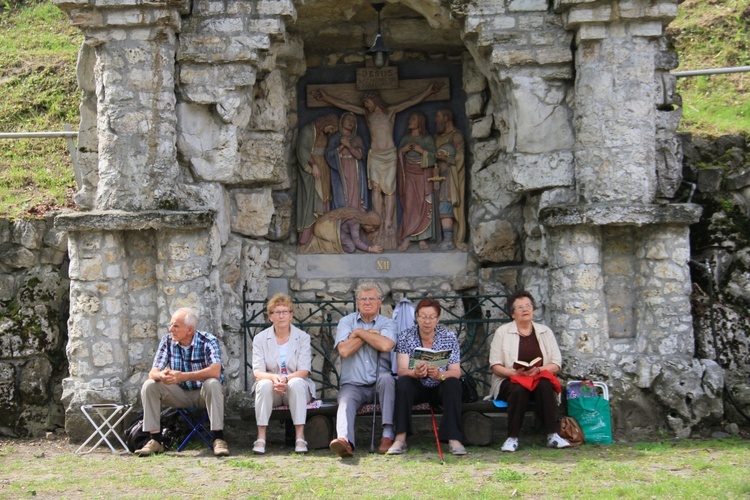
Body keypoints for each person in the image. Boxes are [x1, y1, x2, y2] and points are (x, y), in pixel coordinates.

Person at [312, 83, 443, 250]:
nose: (365, 105)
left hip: (389, 154)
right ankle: (378, 219)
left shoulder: (391, 112)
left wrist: (428, 91)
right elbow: (346, 105)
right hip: (375, 155)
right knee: (375, 187)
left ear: (373, 100)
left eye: (366, 102)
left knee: (389, 190)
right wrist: (326, 98)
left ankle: (388, 221)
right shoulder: (367, 115)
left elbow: (411, 101)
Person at [135, 308, 229, 457]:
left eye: (176, 326)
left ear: (190, 330)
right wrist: (161, 375)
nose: (171, 329)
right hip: (178, 394)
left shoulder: (208, 340)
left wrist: (183, 376)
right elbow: (152, 373)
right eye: (171, 325)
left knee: (212, 383)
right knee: (150, 385)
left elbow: (215, 370)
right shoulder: (167, 341)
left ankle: (218, 438)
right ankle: (155, 440)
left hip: (203, 395)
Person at [488, 290, 571, 452]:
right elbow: (495, 365)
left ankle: (552, 435)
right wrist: (515, 373)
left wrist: (538, 369)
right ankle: (512, 438)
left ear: (533, 309)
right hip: (510, 379)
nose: (525, 310)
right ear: (513, 314)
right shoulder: (503, 332)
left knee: (545, 385)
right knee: (518, 389)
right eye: (520, 307)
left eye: (528, 306)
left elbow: (556, 363)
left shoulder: (544, 332)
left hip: (538, 378)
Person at [387, 298, 466, 455]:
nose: (427, 321)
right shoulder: (406, 336)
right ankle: (400, 437)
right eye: (423, 316)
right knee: (403, 383)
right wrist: (415, 373)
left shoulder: (448, 336)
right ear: (416, 316)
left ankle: (453, 438)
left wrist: (440, 375)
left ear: (438, 318)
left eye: (431, 317)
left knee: (453, 384)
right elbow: (402, 370)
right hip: (417, 385)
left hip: (439, 385)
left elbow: (456, 372)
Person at [329, 282, 397, 457]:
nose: (367, 302)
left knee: (388, 379)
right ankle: (344, 441)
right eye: (363, 298)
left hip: (379, 384)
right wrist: (367, 334)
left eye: (372, 298)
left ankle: (387, 435)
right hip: (354, 385)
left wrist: (357, 334)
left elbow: (386, 345)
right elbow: (344, 350)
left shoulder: (388, 323)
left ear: (380, 302)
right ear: (357, 302)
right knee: (345, 401)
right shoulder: (346, 322)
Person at [251, 294, 316, 455]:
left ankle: (300, 437)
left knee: (296, 383)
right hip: (272, 388)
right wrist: (273, 378)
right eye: (277, 312)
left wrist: (286, 379)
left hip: (295, 386)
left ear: (291, 315)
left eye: (285, 312)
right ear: (270, 316)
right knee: (264, 384)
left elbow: (304, 370)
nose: (281, 316)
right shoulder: (260, 339)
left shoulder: (302, 337)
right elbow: (257, 371)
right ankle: (261, 437)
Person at [296, 113, 339, 245]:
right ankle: (308, 235)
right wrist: (313, 165)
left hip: (324, 168)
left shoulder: (324, 134)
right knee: (312, 198)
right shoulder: (308, 131)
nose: (331, 132)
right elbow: (302, 150)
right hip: (313, 170)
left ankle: (322, 232)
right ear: (326, 122)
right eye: (331, 128)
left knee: (325, 196)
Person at [397, 110, 437, 252]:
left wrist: (421, 151)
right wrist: (402, 151)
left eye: (413, 119)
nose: (409, 121)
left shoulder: (427, 139)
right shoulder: (405, 139)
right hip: (409, 174)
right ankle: (407, 237)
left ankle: (422, 238)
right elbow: (397, 157)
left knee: (423, 204)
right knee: (409, 205)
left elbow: (434, 156)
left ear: (419, 122)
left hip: (423, 175)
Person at [433, 108, 466, 251]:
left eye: (438, 115)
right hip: (437, 177)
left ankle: (449, 239)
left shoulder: (456, 136)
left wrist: (444, 157)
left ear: (446, 118)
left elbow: (460, 157)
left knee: (446, 203)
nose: (435, 119)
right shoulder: (437, 137)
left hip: (450, 176)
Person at [326, 112, 369, 212]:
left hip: (354, 172)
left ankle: (354, 220)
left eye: (353, 121)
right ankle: (342, 223)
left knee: (354, 196)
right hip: (340, 171)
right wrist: (341, 146)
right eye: (348, 119)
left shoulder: (357, 139)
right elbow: (329, 155)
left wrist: (349, 145)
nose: (351, 122)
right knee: (341, 195)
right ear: (342, 121)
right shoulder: (335, 138)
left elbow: (360, 155)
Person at [297, 208, 384, 255]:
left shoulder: (359, 218)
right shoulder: (356, 222)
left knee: (350, 246)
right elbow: (357, 241)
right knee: (351, 247)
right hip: (325, 227)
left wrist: (371, 245)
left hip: (331, 228)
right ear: (369, 223)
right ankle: (317, 243)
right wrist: (370, 249)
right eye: (373, 228)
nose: (373, 231)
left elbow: (361, 239)